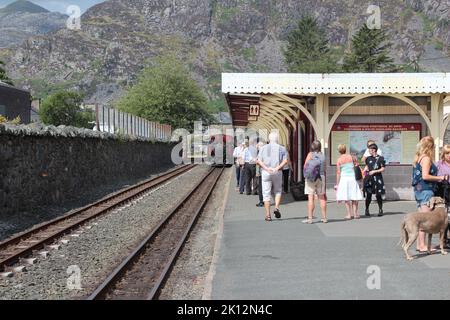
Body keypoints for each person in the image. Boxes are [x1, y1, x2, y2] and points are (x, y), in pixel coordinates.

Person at [412, 137, 448, 252]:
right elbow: (425, 176)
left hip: (419, 190)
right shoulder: (426, 158)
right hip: (426, 190)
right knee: (425, 219)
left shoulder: (419, 157)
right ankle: (422, 245)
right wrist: (440, 178)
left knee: (421, 217)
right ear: (430, 147)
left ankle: (419, 245)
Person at [257, 132, 288, 221]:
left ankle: (268, 215)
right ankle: (276, 208)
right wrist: (277, 168)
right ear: (277, 139)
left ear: (269, 139)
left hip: (266, 172)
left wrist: (266, 168)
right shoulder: (282, 148)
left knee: (266, 194)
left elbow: (258, 160)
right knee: (278, 191)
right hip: (277, 172)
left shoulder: (263, 148)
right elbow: (285, 161)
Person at [335, 144, 364, 219]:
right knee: (354, 195)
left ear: (339, 151)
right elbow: (357, 165)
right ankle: (355, 214)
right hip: (352, 178)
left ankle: (349, 214)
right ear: (345, 149)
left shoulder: (339, 160)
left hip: (344, 179)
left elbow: (338, 172)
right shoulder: (352, 157)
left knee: (346, 197)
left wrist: (337, 184)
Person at [303, 140, 327, 224]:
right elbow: (325, 168)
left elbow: (305, 166)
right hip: (321, 177)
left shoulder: (310, 154)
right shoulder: (323, 156)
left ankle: (310, 219)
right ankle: (324, 218)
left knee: (311, 197)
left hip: (311, 178)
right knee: (322, 198)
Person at [363, 144, 386, 217]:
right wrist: (364, 172)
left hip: (377, 179)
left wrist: (374, 171)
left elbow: (383, 169)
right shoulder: (368, 158)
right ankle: (367, 209)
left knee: (378, 195)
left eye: (370, 150)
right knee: (368, 195)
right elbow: (367, 167)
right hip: (369, 179)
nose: (369, 151)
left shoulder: (381, 158)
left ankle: (380, 209)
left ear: (374, 150)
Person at [255, 142, 265, 207]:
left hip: (262, 172)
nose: (257, 148)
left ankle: (261, 201)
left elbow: (258, 163)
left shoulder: (260, 153)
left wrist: (257, 172)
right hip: (266, 172)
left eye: (258, 147)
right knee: (266, 188)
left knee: (261, 188)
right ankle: (265, 201)